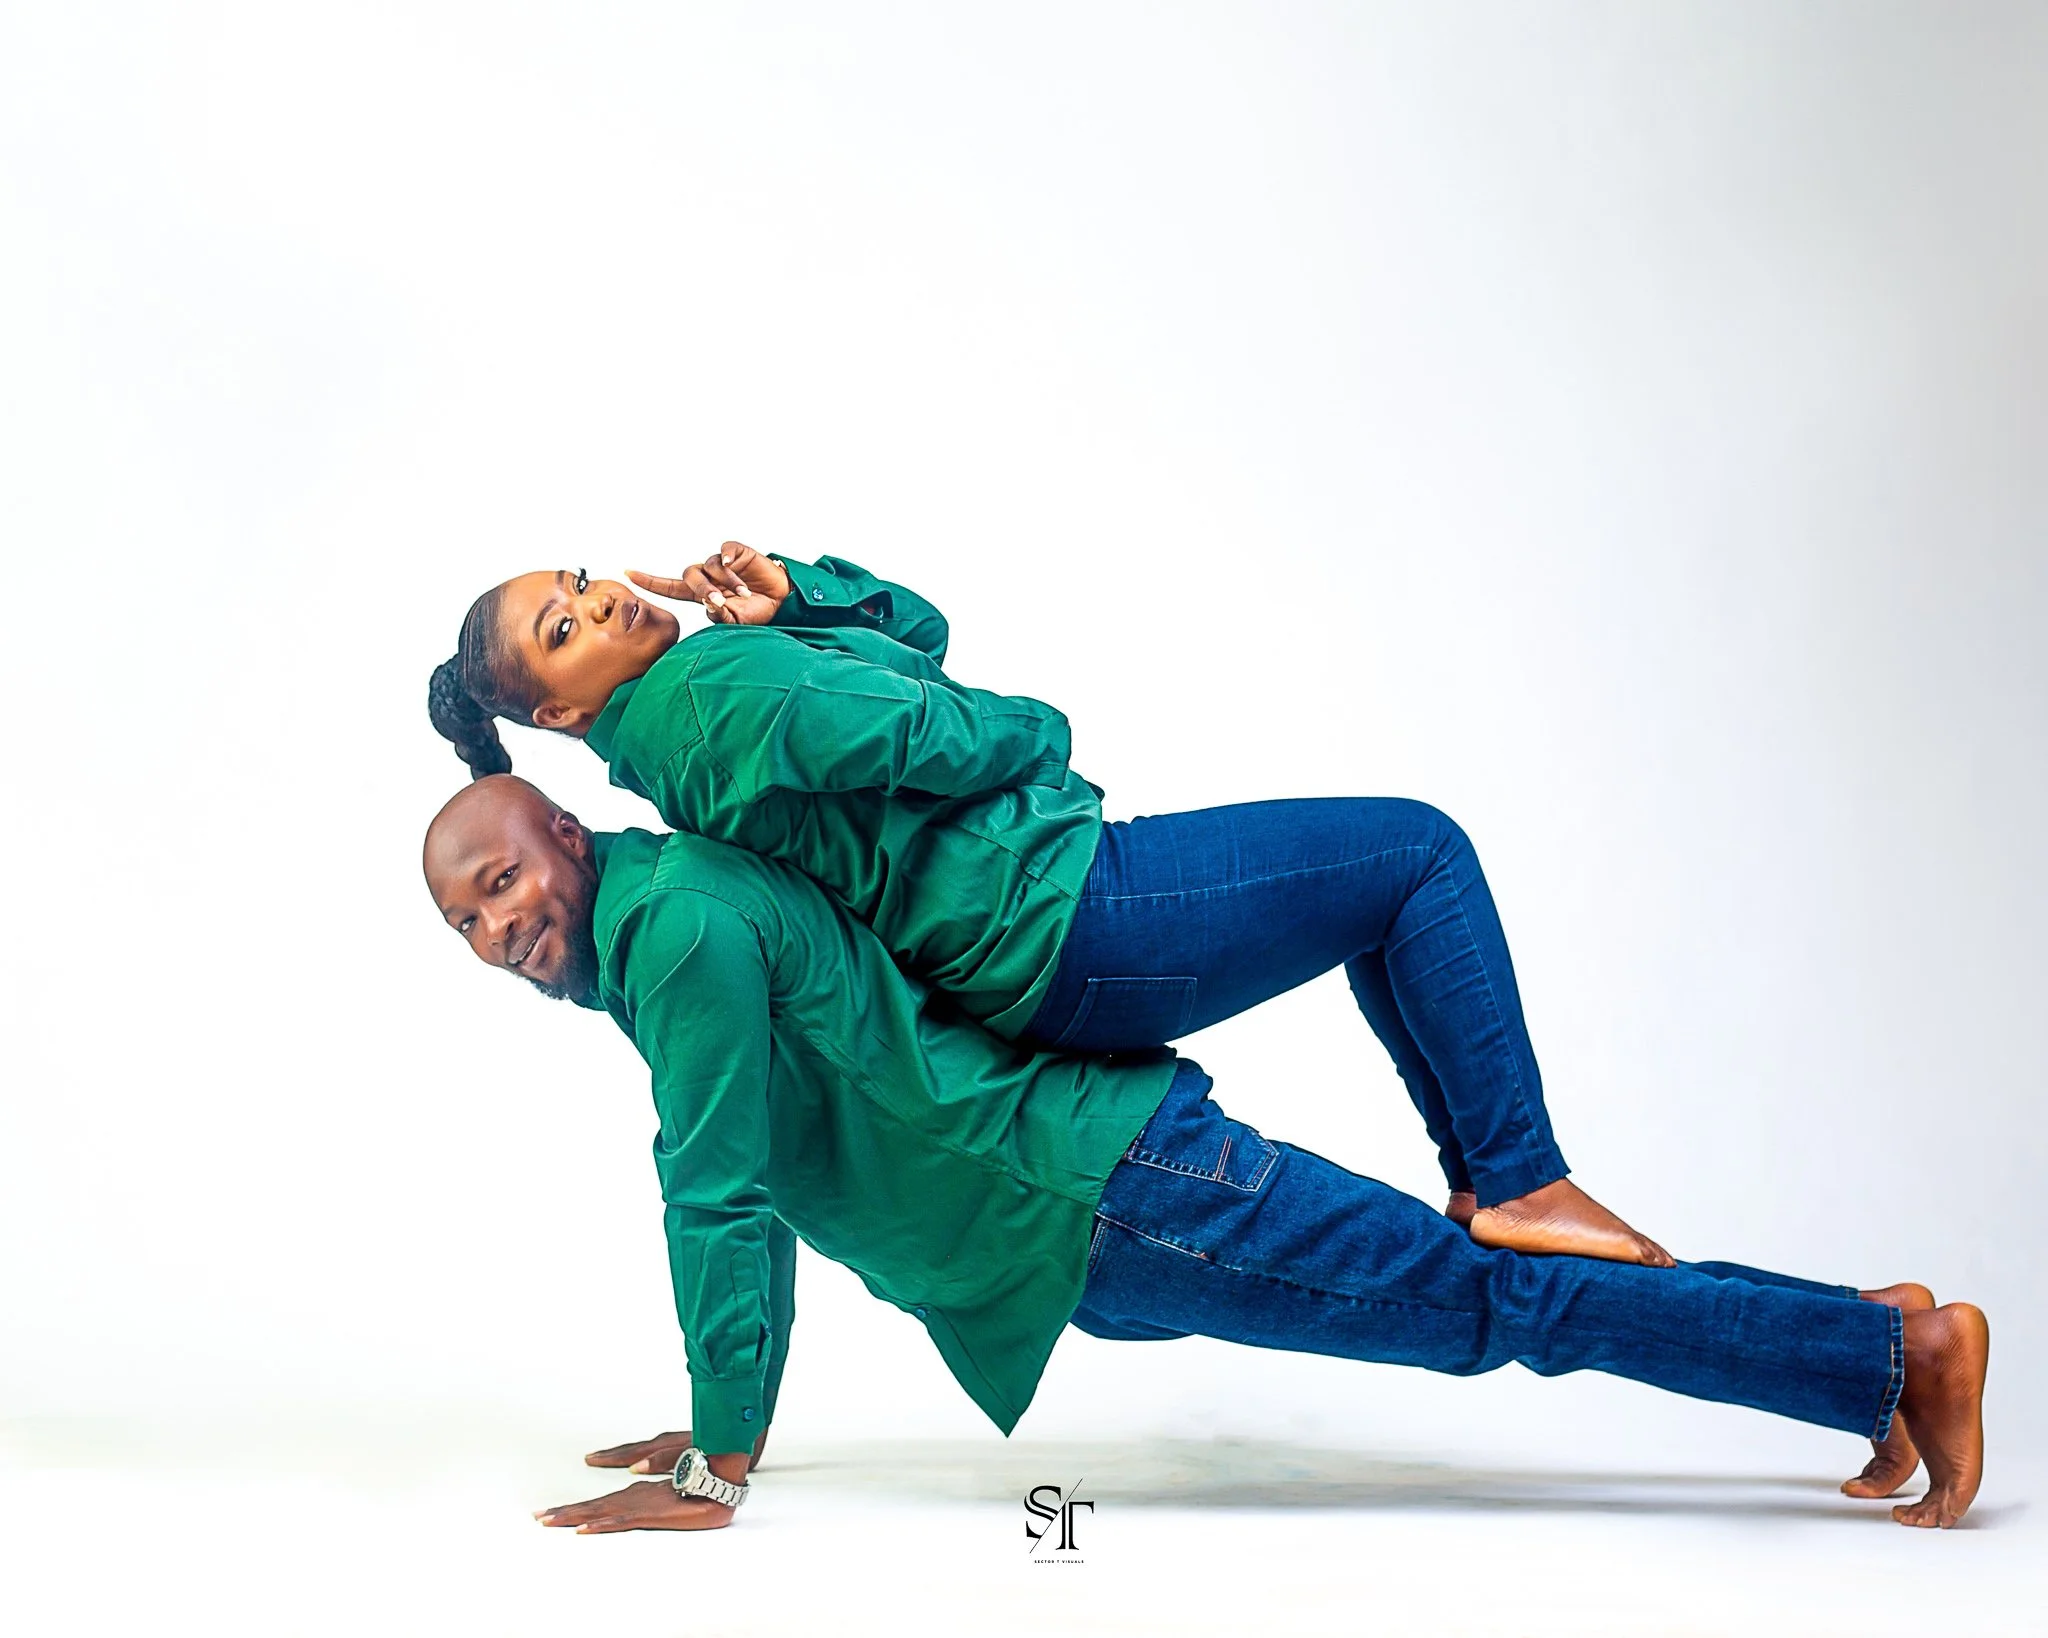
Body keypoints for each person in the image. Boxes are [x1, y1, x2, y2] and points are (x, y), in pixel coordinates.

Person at [419, 774, 1990, 1534]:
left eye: (501, 877)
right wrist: (716, 1422)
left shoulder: (676, 927)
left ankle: (1893, 1350)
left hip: (1114, 1199)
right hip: (1100, 1210)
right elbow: (745, 1174)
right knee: (1482, 1297)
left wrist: (717, 1464)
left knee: (1489, 1303)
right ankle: (1859, 1339)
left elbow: (714, 1188)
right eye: (465, 919)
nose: (497, 929)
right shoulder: (660, 921)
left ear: (561, 825)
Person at [427, 547, 1666, 1266]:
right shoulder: (702, 699)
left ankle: (1498, 1185)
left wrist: (796, 600)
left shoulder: (687, 723)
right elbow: (931, 723)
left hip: (1031, 932)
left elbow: (917, 641)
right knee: (1417, 857)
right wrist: (1044, 736)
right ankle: (1512, 1179)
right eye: (564, 628)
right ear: (559, 716)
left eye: (582, 585)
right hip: (1067, 909)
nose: (599, 604)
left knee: (1381, 890)